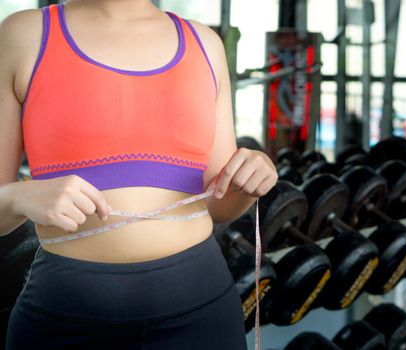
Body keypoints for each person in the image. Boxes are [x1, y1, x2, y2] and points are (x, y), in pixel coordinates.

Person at [0, 0, 277, 349]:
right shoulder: (24, 35)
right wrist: (20, 196)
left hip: (201, 308)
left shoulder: (204, 43)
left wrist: (251, 180)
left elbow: (220, 205)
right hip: (65, 313)